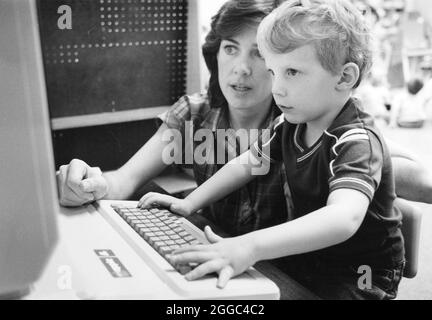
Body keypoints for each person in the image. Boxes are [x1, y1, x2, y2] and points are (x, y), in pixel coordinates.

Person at [139, 0, 405, 300]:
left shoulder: (355, 140)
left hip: (357, 273)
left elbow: (344, 218)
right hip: (310, 257)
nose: (277, 88)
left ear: (344, 77)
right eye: (273, 71)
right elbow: (247, 163)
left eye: (291, 72)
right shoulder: (291, 122)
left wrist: (250, 245)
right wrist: (190, 203)